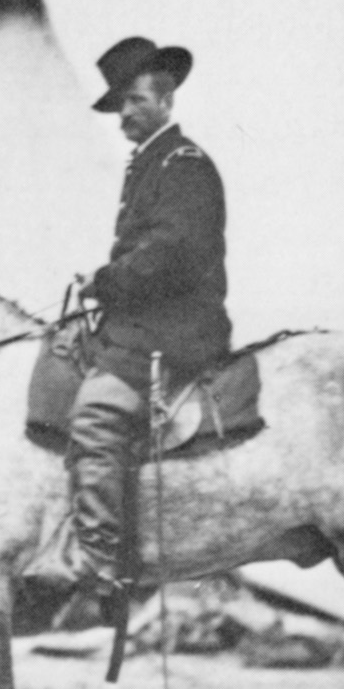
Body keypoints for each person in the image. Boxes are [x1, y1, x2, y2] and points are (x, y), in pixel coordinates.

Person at [67, 36, 231, 594]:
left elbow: (173, 252)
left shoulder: (183, 165)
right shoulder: (151, 164)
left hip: (177, 327)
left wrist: (106, 282)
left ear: (165, 100)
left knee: (94, 413)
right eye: (120, 106)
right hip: (147, 323)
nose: (125, 117)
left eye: (134, 102)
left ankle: (102, 559)